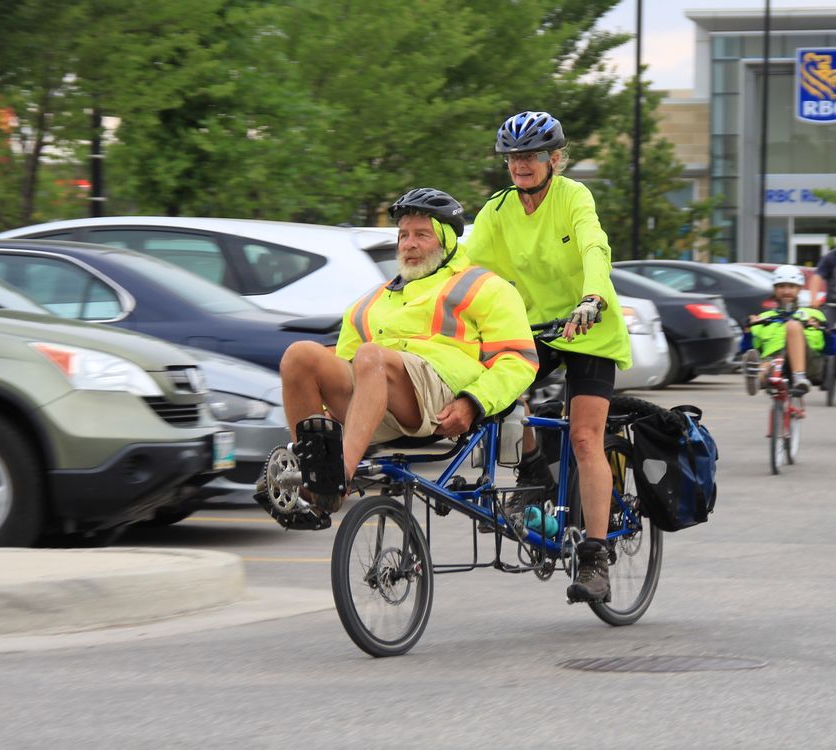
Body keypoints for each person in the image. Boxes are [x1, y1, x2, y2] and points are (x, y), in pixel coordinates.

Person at [255, 187, 538, 528]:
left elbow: (518, 361)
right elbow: (346, 366)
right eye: (403, 235)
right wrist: (326, 413)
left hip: (439, 396)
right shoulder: (370, 302)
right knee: (299, 355)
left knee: (371, 355)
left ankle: (337, 476)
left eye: (422, 235)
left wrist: (473, 403)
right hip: (374, 403)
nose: (409, 244)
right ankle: (315, 475)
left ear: (447, 241)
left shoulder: (485, 287)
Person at [462, 110, 632, 604]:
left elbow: (594, 248)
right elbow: (466, 271)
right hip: (535, 329)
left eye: (532, 155)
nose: (521, 164)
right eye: (513, 156)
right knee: (495, 388)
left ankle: (596, 557)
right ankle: (533, 465)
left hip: (588, 328)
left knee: (583, 437)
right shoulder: (496, 212)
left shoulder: (573, 196)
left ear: (554, 159)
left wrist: (593, 298)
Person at [742, 265, 828, 396]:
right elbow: (749, 350)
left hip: (807, 362)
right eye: (781, 287)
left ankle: (799, 377)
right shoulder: (764, 317)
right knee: (767, 362)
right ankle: (757, 379)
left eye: (791, 286)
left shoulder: (813, 314)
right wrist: (748, 330)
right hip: (775, 362)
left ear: (799, 289)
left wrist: (824, 329)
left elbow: (831, 350)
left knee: (792, 326)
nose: (786, 291)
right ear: (775, 289)